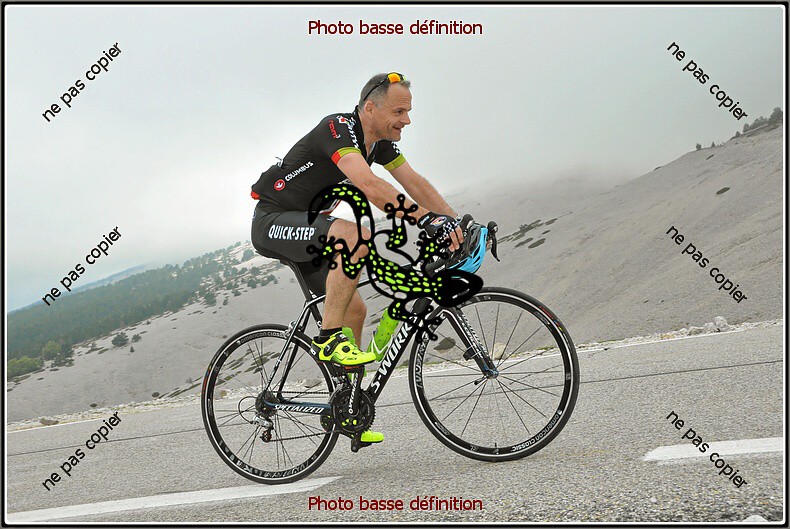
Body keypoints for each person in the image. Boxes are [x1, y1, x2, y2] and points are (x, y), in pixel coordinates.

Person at [250, 73, 464, 443]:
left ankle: (347, 409)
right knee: (355, 235)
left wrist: (455, 224)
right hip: (273, 221)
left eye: (408, 111)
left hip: (310, 230)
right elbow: (368, 184)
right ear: (370, 108)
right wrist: (426, 220)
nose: (406, 120)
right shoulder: (337, 130)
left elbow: (414, 182)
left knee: (356, 310)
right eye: (399, 111)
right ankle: (328, 338)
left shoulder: (378, 145)